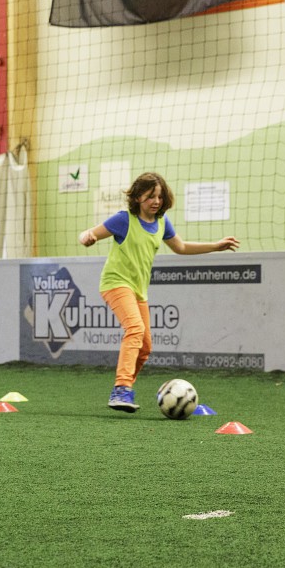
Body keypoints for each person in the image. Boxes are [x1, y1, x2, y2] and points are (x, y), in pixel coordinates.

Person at [78, 172, 240, 413]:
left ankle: (125, 390)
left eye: (160, 196)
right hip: (115, 283)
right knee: (134, 328)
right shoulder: (124, 220)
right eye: (151, 196)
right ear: (137, 197)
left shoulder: (163, 222)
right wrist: (87, 238)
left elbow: (181, 247)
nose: (156, 201)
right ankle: (121, 388)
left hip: (139, 291)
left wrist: (216, 246)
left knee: (145, 347)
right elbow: (87, 234)